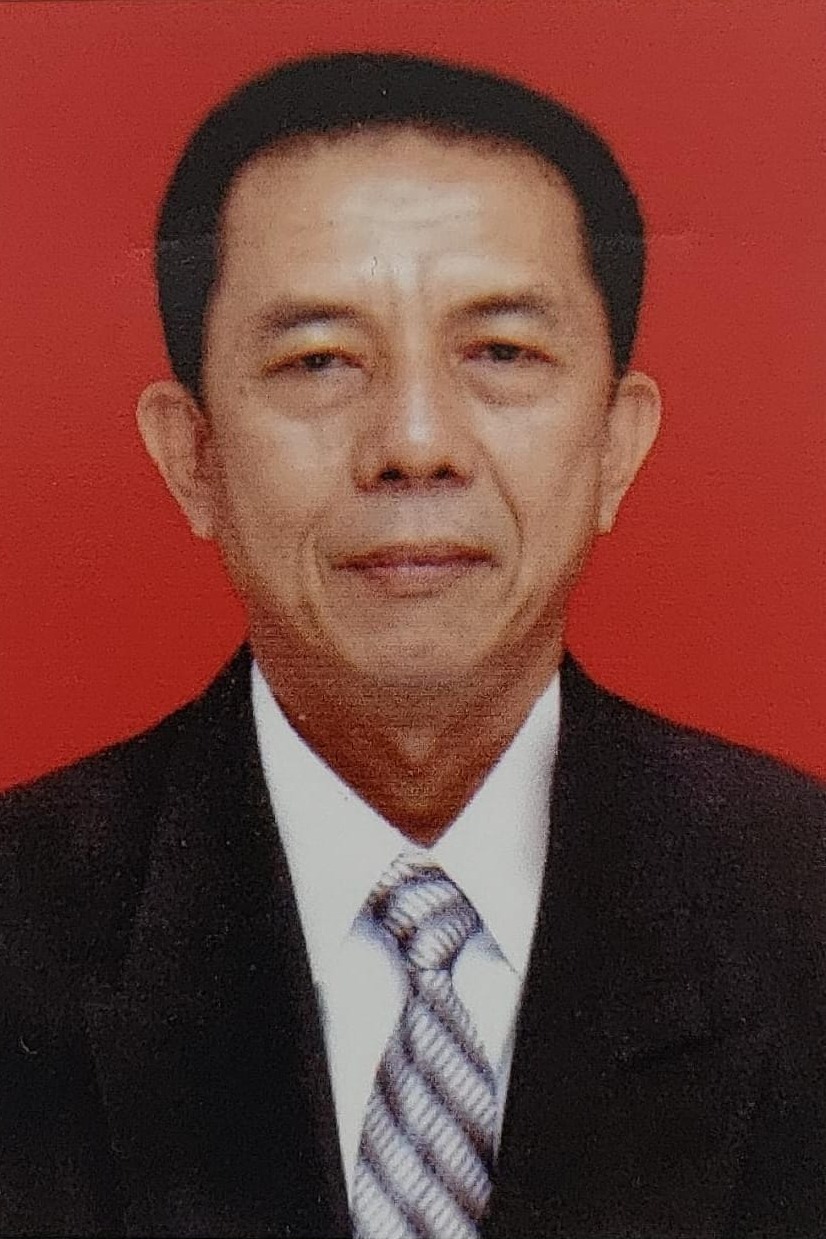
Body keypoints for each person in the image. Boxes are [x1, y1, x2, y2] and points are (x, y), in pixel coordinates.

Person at [0, 50, 823, 1239]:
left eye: (501, 352)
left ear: (616, 443)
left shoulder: (801, 904)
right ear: (194, 458)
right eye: (318, 361)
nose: (416, 442)